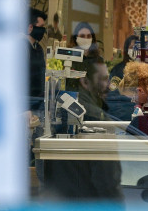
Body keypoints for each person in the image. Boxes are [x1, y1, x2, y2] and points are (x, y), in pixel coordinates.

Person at [44, 57, 124, 201]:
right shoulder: (96, 119)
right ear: (85, 82)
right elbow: (107, 182)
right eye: (103, 79)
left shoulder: (65, 112)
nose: (108, 85)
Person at [25, 7, 47, 101]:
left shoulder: (38, 48)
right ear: (30, 27)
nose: (43, 30)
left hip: (38, 99)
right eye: (41, 27)